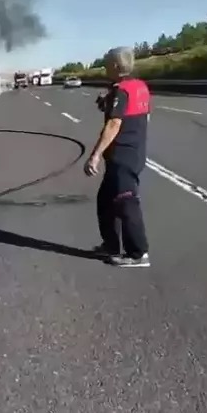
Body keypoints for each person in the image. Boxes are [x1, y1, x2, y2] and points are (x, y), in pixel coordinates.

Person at [84, 46, 150, 268]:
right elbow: (139, 114)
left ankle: (138, 253)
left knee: (126, 202)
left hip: (123, 155)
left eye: (106, 63)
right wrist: (108, 102)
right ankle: (111, 245)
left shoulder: (121, 91)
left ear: (115, 65)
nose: (104, 66)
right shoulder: (138, 87)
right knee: (105, 201)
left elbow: (114, 124)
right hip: (133, 152)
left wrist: (95, 155)